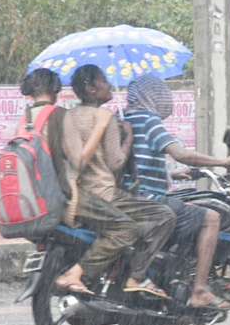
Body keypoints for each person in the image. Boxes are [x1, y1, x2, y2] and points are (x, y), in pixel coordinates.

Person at [54, 65, 176, 297]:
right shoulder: (106, 118)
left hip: (76, 192)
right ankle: (136, 276)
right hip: (103, 192)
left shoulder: (69, 115)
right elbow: (115, 163)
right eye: (103, 81)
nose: (108, 84)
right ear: (91, 89)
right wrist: (128, 137)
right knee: (164, 216)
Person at [122, 75, 230, 309]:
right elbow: (180, 153)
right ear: (151, 96)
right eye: (159, 93)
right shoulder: (148, 120)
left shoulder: (125, 119)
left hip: (129, 197)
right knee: (211, 218)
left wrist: (173, 174)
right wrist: (222, 162)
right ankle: (199, 290)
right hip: (149, 199)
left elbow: (138, 163)